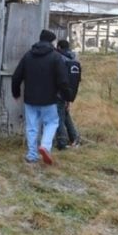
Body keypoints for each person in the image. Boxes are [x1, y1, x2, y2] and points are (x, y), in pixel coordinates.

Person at [11, 29, 71, 165]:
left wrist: (16, 93)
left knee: (32, 127)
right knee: (51, 123)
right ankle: (45, 146)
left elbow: (16, 76)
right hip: (49, 99)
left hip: (30, 99)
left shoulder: (28, 55)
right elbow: (63, 81)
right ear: (52, 41)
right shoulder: (56, 57)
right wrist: (67, 97)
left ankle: (32, 155)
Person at [54, 39, 82, 149]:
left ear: (59, 47)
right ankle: (74, 138)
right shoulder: (75, 58)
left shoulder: (60, 58)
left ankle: (62, 142)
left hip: (59, 92)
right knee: (65, 115)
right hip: (70, 92)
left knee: (58, 117)